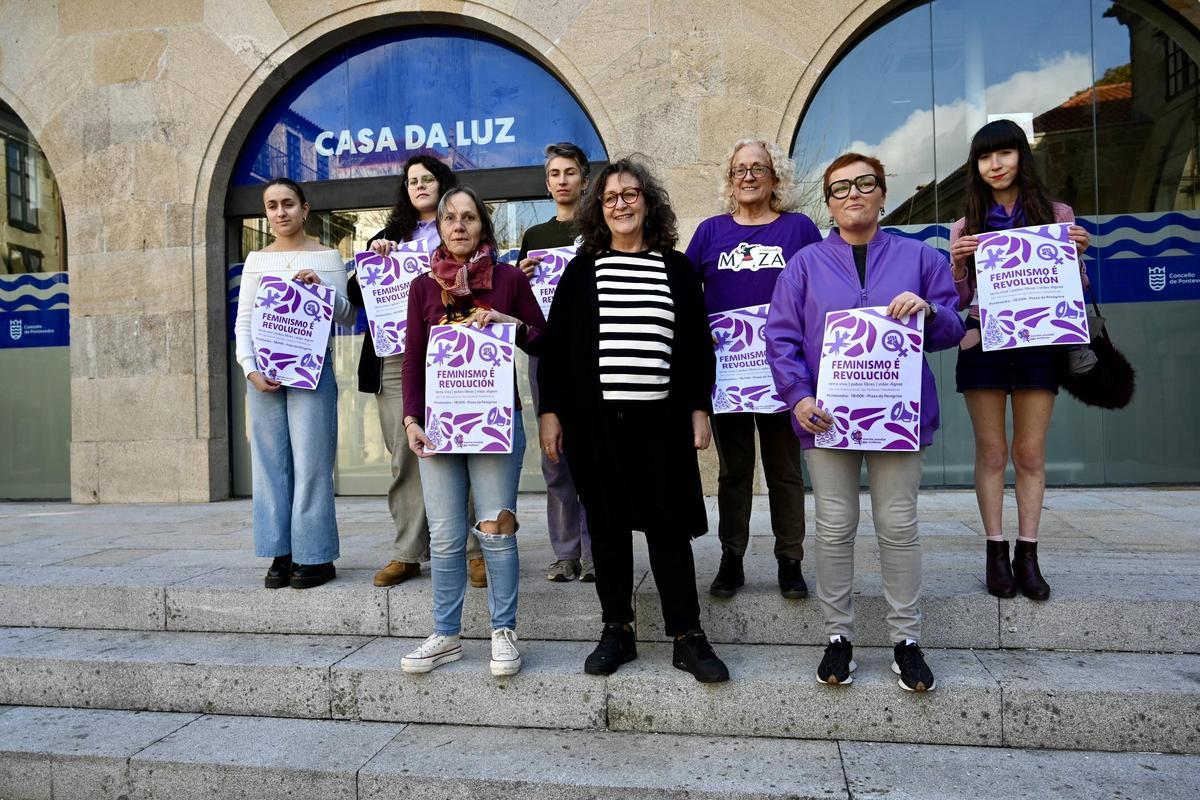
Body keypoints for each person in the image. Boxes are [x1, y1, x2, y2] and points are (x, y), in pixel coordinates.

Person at [765, 153, 964, 692]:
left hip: (897, 418)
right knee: (834, 528)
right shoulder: (804, 264)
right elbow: (780, 339)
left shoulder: (920, 258)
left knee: (898, 527)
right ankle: (838, 637)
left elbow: (954, 328)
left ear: (882, 193)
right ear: (828, 202)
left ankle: (906, 640)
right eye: (840, 187)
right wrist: (798, 398)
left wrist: (929, 309)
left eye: (864, 184)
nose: (853, 194)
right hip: (828, 419)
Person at [537, 155, 730, 684]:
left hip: (662, 423)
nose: (620, 204)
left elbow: (695, 346)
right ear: (599, 209)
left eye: (630, 195)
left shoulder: (676, 267)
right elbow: (555, 351)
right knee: (608, 528)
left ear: (648, 203)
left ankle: (687, 636)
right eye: (610, 198)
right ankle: (616, 630)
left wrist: (698, 407)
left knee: (668, 530)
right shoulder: (582, 271)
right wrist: (551, 412)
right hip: (594, 425)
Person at [398, 186, 546, 677]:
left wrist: (511, 322)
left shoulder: (506, 279)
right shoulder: (422, 287)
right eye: (450, 219)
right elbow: (413, 360)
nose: (459, 226)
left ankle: (503, 631)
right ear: (439, 227)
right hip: (439, 429)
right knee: (443, 535)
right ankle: (445, 634)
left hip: (494, 425)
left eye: (469, 218)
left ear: (483, 226)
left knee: (495, 528)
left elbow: (545, 339)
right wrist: (411, 419)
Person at [948, 120, 1091, 602]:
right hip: (983, 341)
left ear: (1020, 157)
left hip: (1039, 342)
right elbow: (959, 299)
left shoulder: (1056, 213)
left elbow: (1075, 290)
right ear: (976, 166)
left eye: (1004, 154)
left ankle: (1028, 554)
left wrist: (1077, 256)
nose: (995, 165)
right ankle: (995, 551)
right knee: (991, 454)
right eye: (985, 157)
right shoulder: (966, 223)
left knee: (1029, 454)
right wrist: (958, 264)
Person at [685, 138, 821, 600]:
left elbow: (819, 290)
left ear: (774, 178)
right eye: (739, 168)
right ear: (730, 179)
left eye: (758, 168)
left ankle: (790, 559)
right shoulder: (709, 233)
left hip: (785, 372)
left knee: (785, 470)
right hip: (729, 376)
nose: (747, 176)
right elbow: (684, 294)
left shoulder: (799, 229)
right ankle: (732, 557)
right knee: (734, 471)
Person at [346, 155, 486, 590]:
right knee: (404, 456)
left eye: (428, 179)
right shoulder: (387, 237)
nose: (420, 186)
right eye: (412, 181)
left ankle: (474, 552)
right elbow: (357, 294)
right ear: (405, 191)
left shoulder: (465, 236)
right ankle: (408, 551)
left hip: (452, 353)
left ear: (443, 185)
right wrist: (373, 258)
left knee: (461, 443)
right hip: (393, 358)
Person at [235, 178, 358, 590]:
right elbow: (245, 322)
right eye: (271, 206)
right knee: (270, 466)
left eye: (288, 204)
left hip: (311, 370)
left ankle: (314, 554)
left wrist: (321, 290)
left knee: (312, 464)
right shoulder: (255, 260)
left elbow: (345, 316)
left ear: (305, 209)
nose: (280, 212)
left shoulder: (327, 258)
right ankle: (280, 552)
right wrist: (250, 368)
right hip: (263, 373)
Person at [516, 142, 594, 584]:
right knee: (554, 457)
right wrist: (519, 277)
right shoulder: (535, 237)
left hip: (594, 355)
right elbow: (521, 306)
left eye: (569, 172)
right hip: (547, 356)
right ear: (547, 184)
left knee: (594, 453)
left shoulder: (600, 229)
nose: (562, 180)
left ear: (584, 178)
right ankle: (566, 553)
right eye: (554, 174)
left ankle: (598, 548)